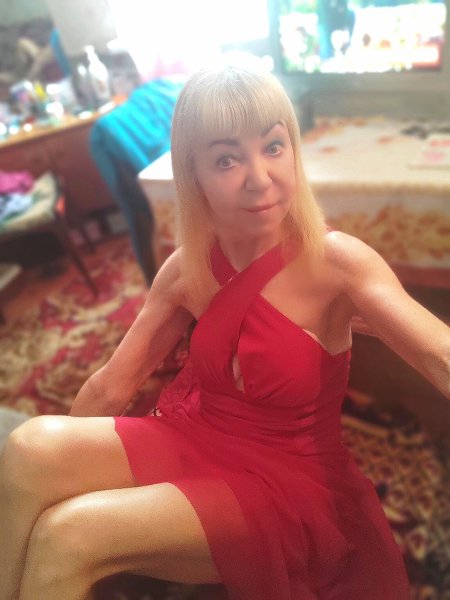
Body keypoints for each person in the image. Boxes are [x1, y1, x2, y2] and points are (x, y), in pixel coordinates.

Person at [0, 62, 449, 600]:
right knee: (27, 447)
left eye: (274, 147)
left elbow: (438, 355)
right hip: (197, 434)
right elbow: (111, 385)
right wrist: (75, 471)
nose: (259, 177)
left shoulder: (337, 261)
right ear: (195, 175)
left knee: (68, 535)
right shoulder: (187, 267)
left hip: (288, 481)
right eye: (227, 159)